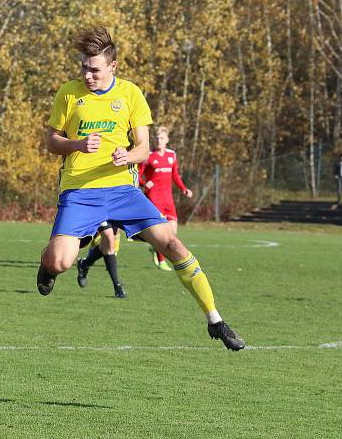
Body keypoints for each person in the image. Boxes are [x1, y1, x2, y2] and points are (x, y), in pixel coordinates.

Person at [36, 26, 245, 351]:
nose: (87, 75)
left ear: (112, 67)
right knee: (60, 262)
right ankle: (48, 262)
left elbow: (144, 148)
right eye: (83, 68)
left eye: (94, 69)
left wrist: (128, 155)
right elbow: (51, 141)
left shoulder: (130, 94)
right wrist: (77, 144)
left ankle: (215, 320)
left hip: (123, 191)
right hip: (80, 192)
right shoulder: (69, 93)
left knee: (172, 244)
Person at [140, 126, 193, 271]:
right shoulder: (148, 156)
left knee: (173, 234)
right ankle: (162, 262)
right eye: (156, 138)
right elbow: (137, 175)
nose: (159, 140)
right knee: (163, 233)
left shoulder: (172, 155)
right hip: (154, 197)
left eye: (161, 138)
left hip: (168, 198)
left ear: (167, 140)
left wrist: (184, 189)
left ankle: (155, 248)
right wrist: (145, 183)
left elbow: (175, 175)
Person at [75, 222, 127, 298]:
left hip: (114, 212)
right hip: (99, 211)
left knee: (107, 244)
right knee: (109, 238)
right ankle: (117, 286)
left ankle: (84, 264)